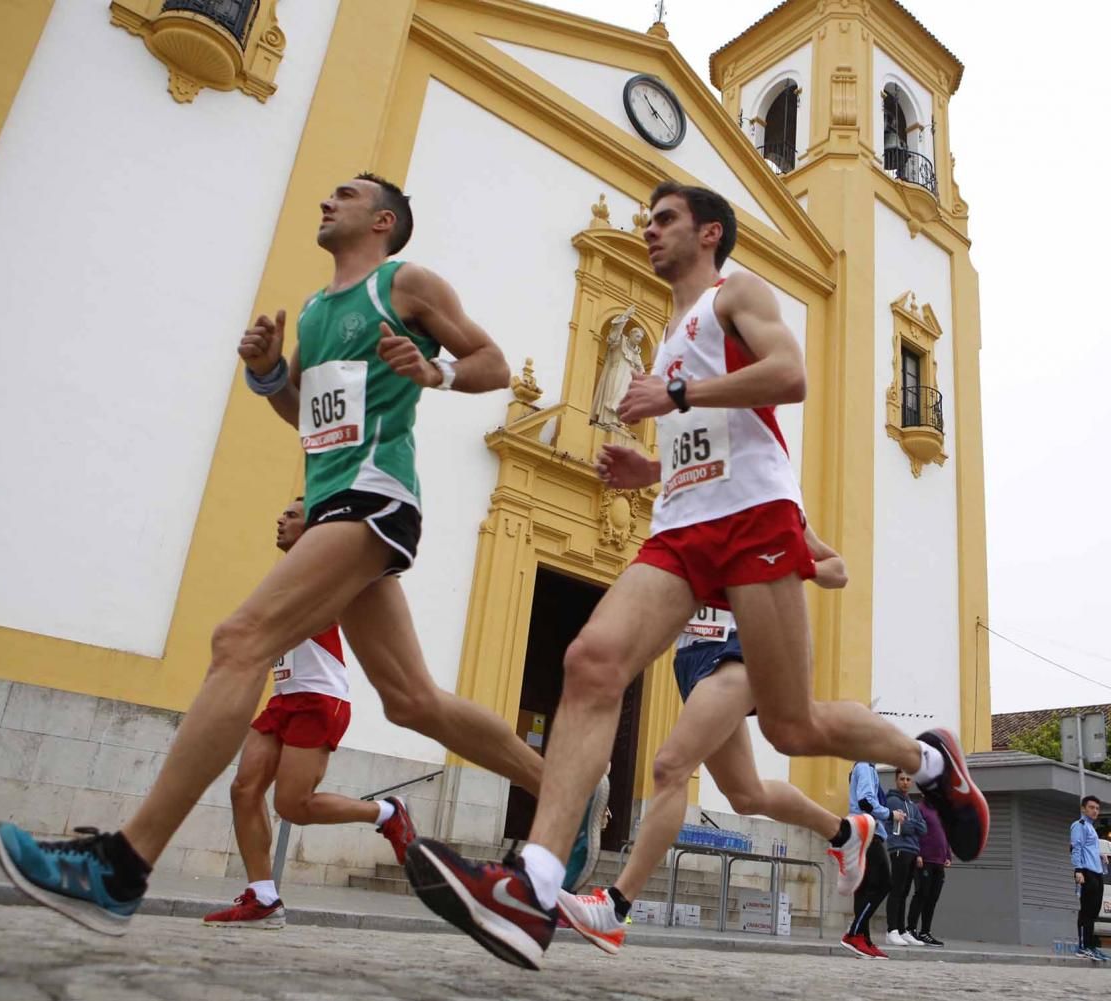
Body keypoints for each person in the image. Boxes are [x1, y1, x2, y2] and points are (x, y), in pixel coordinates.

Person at [0, 172, 605, 935]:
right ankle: (566, 790)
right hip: (330, 499)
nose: (326, 200)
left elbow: (494, 364)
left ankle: (123, 865)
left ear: (382, 220)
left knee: (238, 640)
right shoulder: (316, 310)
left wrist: (433, 369)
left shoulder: (403, 284)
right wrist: (269, 372)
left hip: (376, 496)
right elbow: (310, 420)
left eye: (345, 194)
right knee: (411, 699)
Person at [401, 180, 990, 971]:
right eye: (647, 218)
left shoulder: (733, 294)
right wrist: (648, 463)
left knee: (792, 726)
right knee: (591, 659)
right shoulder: (672, 330)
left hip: (753, 519)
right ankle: (534, 885)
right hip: (681, 526)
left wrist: (676, 391)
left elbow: (789, 376)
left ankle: (925, 761)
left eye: (665, 218)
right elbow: (704, 434)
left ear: (709, 233)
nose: (649, 229)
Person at [552, 524, 875, 956]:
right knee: (746, 794)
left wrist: (798, 564)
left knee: (671, 767)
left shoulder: (770, 502)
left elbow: (838, 570)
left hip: (736, 649)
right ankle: (844, 832)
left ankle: (615, 907)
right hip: (690, 656)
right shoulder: (694, 503)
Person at [202, 498, 415, 929]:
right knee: (244, 790)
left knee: (294, 806)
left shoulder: (327, 574)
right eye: (281, 512)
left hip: (320, 699)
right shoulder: (284, 575)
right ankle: (263, 897)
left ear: (315, 529)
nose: (279, 518)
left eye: (292, 515)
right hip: (283, 697)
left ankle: (388, 813)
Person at [841, 760, 898, 959]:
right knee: (884, 884)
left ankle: (863, 939)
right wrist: (890, 814)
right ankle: (854, 933)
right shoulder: (865, 767)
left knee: (864, 887)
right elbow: (865, 801)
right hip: (866, 831)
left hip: (863, 831)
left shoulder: (865, 768)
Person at [883, 767, 927, 948]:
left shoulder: (912, 805)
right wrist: (912, 825)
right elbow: (905, 829)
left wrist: (911, 823)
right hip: (899, 849)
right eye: (902, 779)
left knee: (905, 892)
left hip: (912, 850)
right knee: (897, 890)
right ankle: (891, 929)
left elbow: (923, 829)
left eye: (908, 779)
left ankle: (902, 930)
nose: (905, 782)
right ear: (896, 780)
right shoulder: (893, 801)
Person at [907, 798, 949, 946]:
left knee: (933, 898)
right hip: (924, 861)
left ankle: (925, 932)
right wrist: (917, 853)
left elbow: (944, 834)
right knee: (921, 895)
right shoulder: (919, 809)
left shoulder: (940, 811)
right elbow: (914, 832)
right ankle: (911, 929)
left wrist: (947, 855)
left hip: (939, 862)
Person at [1072, 794, 1108, 961]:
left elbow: (1089, 849)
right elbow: (1076, 848)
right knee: (1086, 911)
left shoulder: (1092, 828)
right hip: (1086, 872)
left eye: (1097, 808)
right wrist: (1078, 871)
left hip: (1097, 873)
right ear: (1083, 808)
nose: (1095, 811)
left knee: (1093, 912)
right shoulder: (1079, 826)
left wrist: (1101, 856)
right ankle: (1082, 946)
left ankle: (1091, 946)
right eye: (1091, 807)